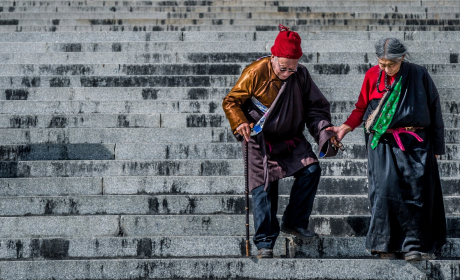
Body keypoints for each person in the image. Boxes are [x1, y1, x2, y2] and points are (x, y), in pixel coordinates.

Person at [222, 24, 340, 259]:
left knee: (311, 169)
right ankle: (265, 242)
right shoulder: (255, 72)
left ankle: (294, 222)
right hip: (259, 139)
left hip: (290, 139)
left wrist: (325, 132)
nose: (287, 73)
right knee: (264, 188)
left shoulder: (301, 75)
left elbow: (315, 109)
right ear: (273, 57)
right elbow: (231, 101)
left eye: (291, 69)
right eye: (283, 68)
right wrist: (240, 122)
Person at [326, 37, 447, 261]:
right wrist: (345, 128)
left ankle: (413, 245)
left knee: (416, 191)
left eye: (391, 64)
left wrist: (438, 145)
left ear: (402, 58)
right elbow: (361, 107)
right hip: (382, 141)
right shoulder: (373, 75)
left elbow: (434, 108)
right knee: (384, 190)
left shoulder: (419, 74)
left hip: (416, 142)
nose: (387, 68)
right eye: (382, 64)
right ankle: (385, 244)